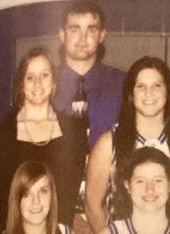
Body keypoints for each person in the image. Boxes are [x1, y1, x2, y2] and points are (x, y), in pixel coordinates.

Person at [86, 56, 170, 233]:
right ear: (130, 93)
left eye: (157, 86)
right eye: (140, 86)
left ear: (168, 91)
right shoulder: (109, 143)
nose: (148, 94)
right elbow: (92, 204)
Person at [0, 46, 88, 234]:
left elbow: (74, 192)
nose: (37, 83)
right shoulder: (4, 133)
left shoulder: (74, 131)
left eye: (44, 75)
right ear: (21, 84)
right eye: (30, 77)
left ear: (53, 82)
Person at [53, 0, 124, 149]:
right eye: (75, 29)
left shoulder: (122, 84)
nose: (82, 38)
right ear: (62, 34)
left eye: (91, 30)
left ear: (102, 36)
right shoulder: (43, 84)